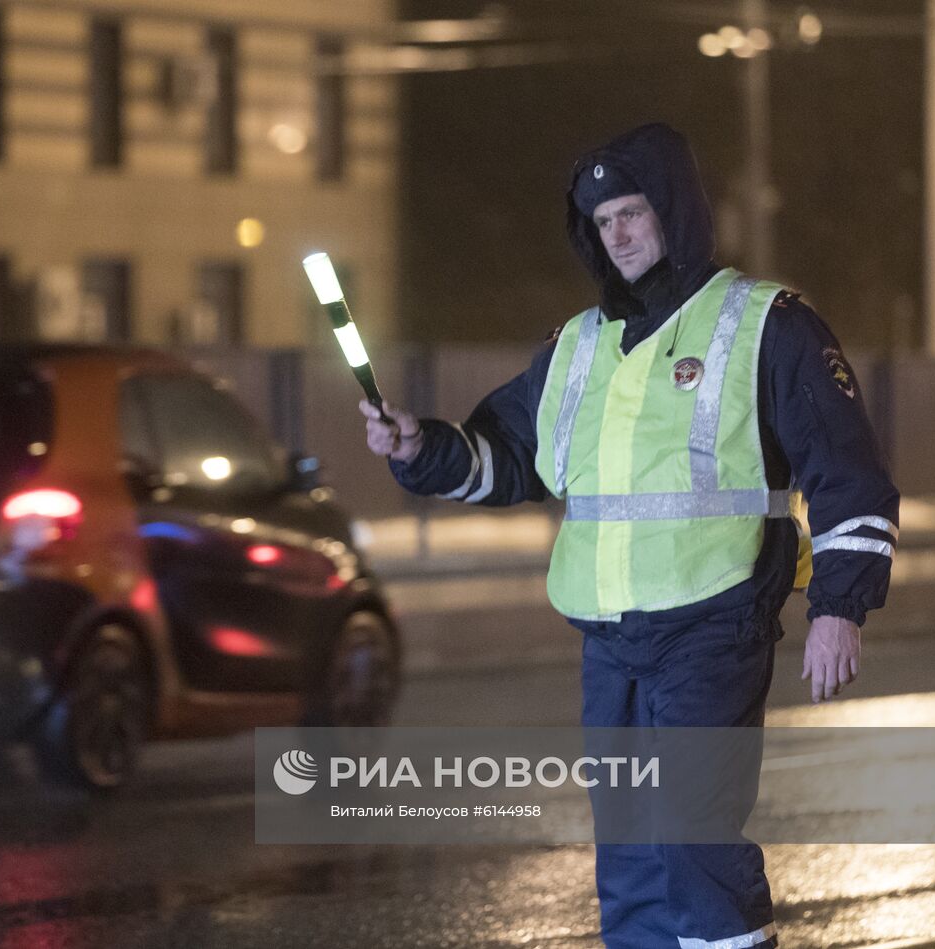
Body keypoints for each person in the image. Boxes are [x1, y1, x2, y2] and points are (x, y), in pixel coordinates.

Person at [361, 123, 899, 948]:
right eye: (602, 219)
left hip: (714, 626)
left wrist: (841, 605)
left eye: (632, 213)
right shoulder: (576, 347)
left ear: (675, 212)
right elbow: (507, 458)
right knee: (633, 860)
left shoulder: (767, 323)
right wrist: (417, 446)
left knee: (694, 838)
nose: (617, 234)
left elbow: (845, 466)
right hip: (610, 639)